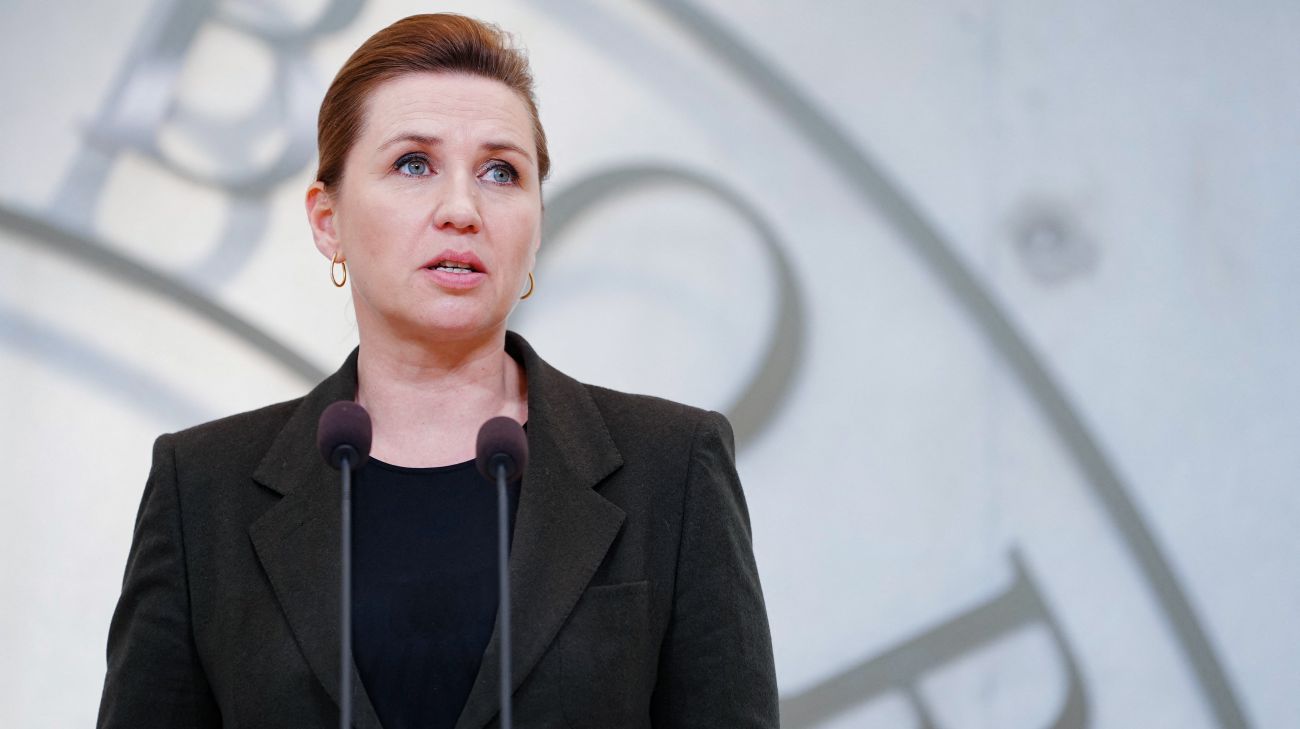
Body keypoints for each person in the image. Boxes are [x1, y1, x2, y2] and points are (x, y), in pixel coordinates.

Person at [97, 13, 778, 729]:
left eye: (500, 172)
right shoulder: (203, 487)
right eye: (414, 164)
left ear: (537, 224)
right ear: (328, 220)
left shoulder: (672, 466)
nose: (462, 209)